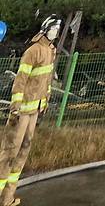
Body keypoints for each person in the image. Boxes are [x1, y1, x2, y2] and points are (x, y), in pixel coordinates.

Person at [0, 16, 61, 206]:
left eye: (58, 29)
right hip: (22, 112)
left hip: (35, 110)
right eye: (54, 29)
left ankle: (7, 198)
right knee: (9, 152)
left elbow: (47, 79)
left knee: (23, 151)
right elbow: (21, 79)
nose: (56, 33)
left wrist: (46, 99)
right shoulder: (33, 51)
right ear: (46, 29)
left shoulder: (51, 50)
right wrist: (16, 106)